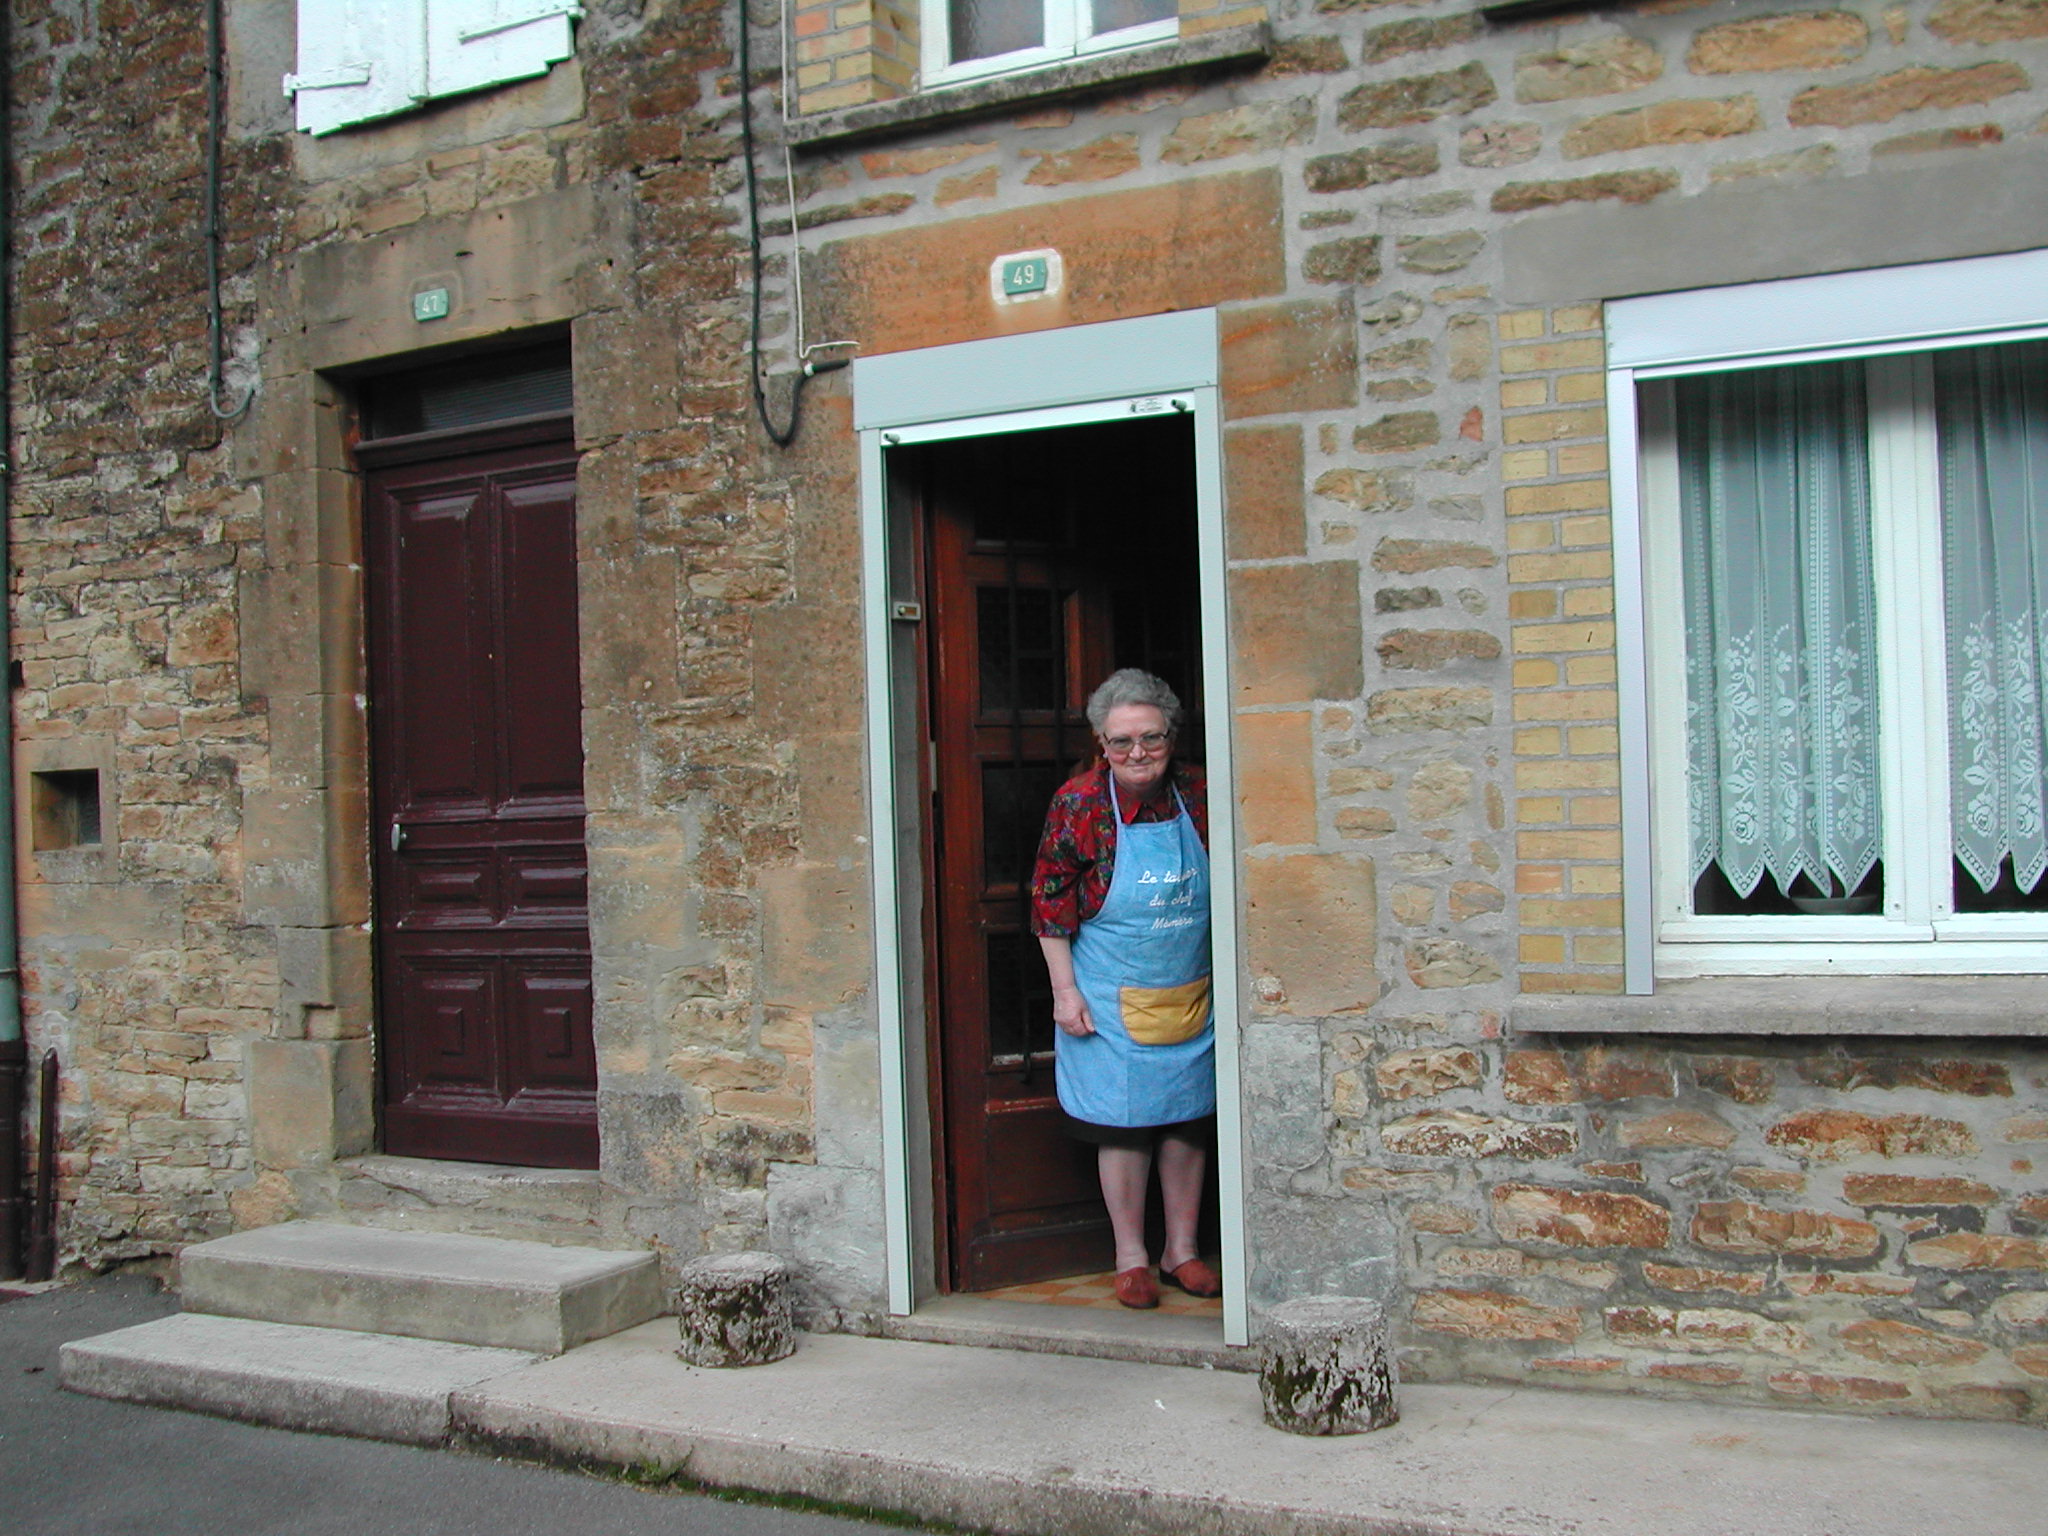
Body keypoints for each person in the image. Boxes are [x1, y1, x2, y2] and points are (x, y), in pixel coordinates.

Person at [1030, 667, 1220, 1310]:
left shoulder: (1201, 791)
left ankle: (1182, 1252)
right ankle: (1131, 1257)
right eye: (1121, 742)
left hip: (1190, 988)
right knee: (1124, 1125)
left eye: (1151, 738)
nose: (1137, 753)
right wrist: (1065, 993)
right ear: (1102, 745)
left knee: (1187, 1119)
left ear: (1172, 737)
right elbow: (1049, 902)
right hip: (1108, 994)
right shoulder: (1079, 804)